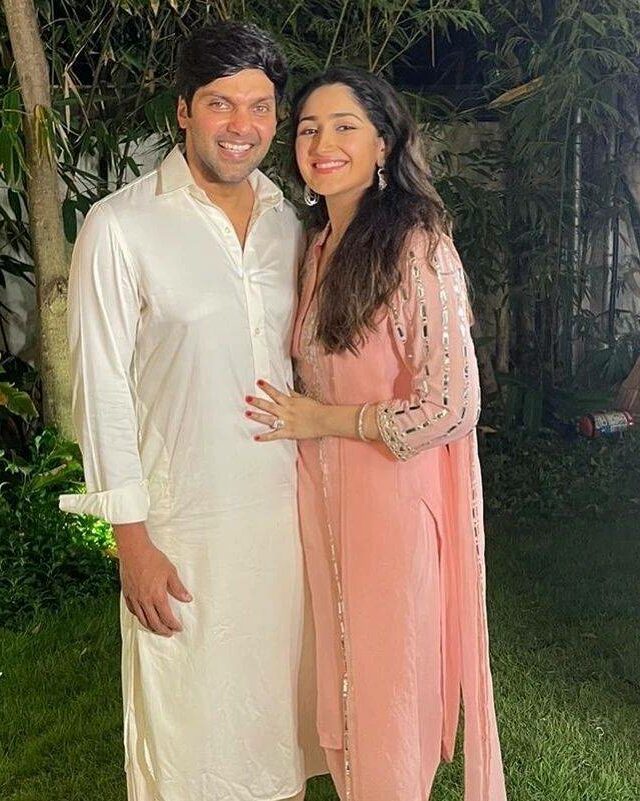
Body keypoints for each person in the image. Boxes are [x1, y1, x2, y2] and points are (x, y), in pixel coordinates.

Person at [59, 21, 324, 801]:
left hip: (286, 525)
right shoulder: (120, 227)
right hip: (185, 530)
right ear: (183, 110)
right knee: (186, 741)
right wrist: (132, 541)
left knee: (279, 733)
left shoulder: (290, 223)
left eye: (259, 106)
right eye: (220, 104)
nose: (241, 126)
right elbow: (100, 388)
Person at [243, 67, 508, 801]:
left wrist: (325, 420)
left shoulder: (416, 246)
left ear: (383, 143)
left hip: (391, 507)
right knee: (345, 689)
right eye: (308, 129)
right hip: (325, 504)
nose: (321, 143)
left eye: (344, 126)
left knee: (389, 693)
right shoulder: (320, 244)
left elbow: (451, 404)